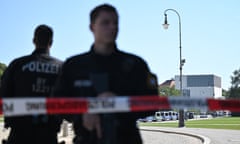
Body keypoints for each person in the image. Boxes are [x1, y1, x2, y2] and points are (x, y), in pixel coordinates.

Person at [53, 3, 158, 144]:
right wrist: (81, 113)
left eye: (115, 23)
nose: (112, 27)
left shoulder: (136, 65)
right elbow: (57, 103)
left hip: (126, 138)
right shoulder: (74, 66)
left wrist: (121, 102)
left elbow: (152, 104)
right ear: (92, 27)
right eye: (105, 23)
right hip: (87, 138)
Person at [0, 24, 63, 144]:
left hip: (19, 134)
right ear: (51, 42)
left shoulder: (17, 65)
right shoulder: (61, 68)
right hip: (48, 134)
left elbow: (3, 95)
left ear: (34, 40)